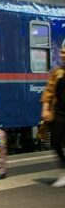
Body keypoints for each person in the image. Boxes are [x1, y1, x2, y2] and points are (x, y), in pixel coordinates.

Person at [40, 43, 65, 188]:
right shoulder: (58, 72)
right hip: (59, 112)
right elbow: (49, 91)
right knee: (55, 142)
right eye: (62, 52)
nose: (62, 55)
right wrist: (45, 109)